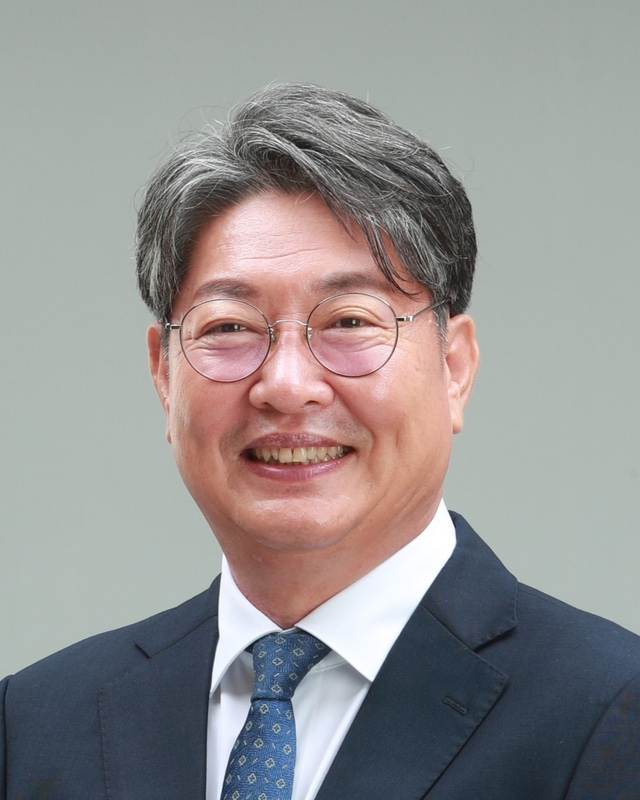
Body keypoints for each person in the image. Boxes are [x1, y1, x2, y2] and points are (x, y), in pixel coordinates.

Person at [1, 82, 639, 800]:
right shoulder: (32, 728)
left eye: (349, 321)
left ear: (454, 367)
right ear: (163, 374)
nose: (286, 385)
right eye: (229, 327)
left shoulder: (612, 714)